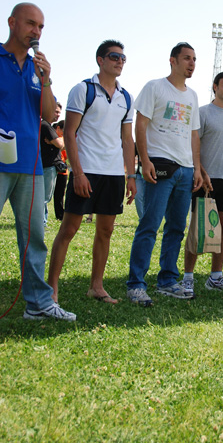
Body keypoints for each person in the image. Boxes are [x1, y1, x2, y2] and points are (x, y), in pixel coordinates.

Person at [0, 2, 75, 321]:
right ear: (12, 22)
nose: (36, 31)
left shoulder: (36, 68)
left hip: (30, 166)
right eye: (31, 24)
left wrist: (46, 79)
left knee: (34, 237)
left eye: (41, 26)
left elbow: (47, 114)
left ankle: (38, 304)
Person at [48, 40, 136, 304]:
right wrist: (78, 173)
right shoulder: (83, 89)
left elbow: (127, 140)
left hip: (112, 175)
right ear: (100, 60)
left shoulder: (126, 97)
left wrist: (130, 176)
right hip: (86, 171)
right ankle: (51, 288)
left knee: (106, 231)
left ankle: (96, 287)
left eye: (123, 58)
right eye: (114, 56)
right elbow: (71, 134)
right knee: (69, 229)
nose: (119, 61)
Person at [127, 43, 202, 306]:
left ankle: (168, 281)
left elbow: (194, 134)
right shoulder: (155, 87)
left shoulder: (192, 95)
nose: (191, 63)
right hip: (159, 164)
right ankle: (136, 284)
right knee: (149, 224)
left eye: (194, 59)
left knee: (176, 228)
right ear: (172, 61)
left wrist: (197, 168)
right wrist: (143, 160)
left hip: (185, 169)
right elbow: (141, 124)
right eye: (186, 58)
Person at [182, 71, 223, 295]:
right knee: (198, 230)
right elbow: (193, 146)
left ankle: (216, 277)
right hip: (204, 180)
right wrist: (200, 171)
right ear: (215, 87)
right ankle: (188, 277)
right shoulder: (202, 113)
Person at [41, 101, 63, 225]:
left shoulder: (45, 125)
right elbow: (61, 144)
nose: (58, 115)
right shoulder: (46, 126)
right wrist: (58, 141)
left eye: (59, 112)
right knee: (44, 197)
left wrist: (56, 141)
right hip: (48, 166)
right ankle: (41, 222)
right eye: (55, 111)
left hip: (45, 166)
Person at [53, 120, 68, 221]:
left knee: (60, 193)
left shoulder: (63, 139)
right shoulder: (55, 138)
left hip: (62, 170)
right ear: (58, 128)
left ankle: (60, 214)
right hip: (52, 169)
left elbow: (66, 155)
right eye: (63, 130)